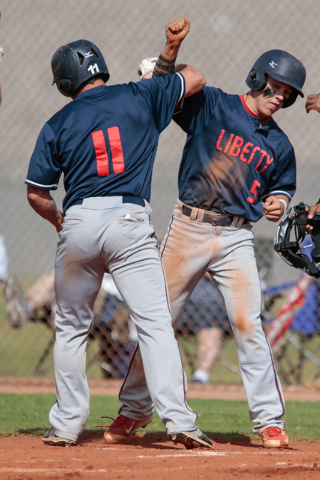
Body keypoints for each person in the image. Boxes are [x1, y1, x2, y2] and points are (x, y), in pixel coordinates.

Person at [25, 18, 212, 449]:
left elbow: (37, 194)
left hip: (79, 222)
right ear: (102, 67)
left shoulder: (57, 121)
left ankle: (67, 425)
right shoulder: (140, 94)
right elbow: (197, 79)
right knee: (154, 324)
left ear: (64, 82)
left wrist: (61, 222)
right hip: (129, 222)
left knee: (71, 327)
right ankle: (178, 419)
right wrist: (163, 64)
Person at [107, 49, 306, 449]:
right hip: (188, 227)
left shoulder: (279, 143)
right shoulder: (212, 104)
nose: (280, 96)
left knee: (249, 324)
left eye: (288, 92)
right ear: (256, 77)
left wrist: (279, 202)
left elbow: (282, 184)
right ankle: (134, 409)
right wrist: (165, 62)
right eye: (276, 86)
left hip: (236, 237)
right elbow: (167, 90)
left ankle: (269, 421)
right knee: (157, 321)